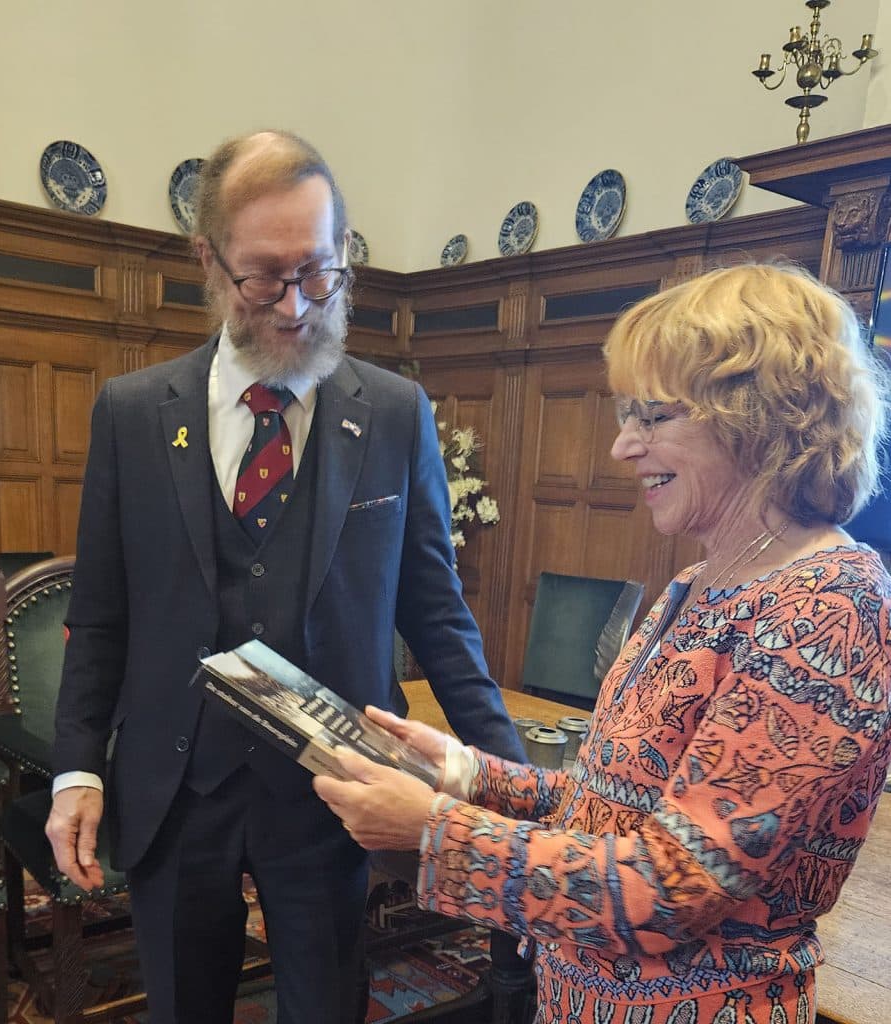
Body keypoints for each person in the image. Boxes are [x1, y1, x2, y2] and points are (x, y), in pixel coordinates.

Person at [315, 262, 891, 1024]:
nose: (621, 447)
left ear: (761, 417)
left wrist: (431, 832)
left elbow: (668, 888)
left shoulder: (831, 604)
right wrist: (466, 774)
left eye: (651, 416)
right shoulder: (697, 580)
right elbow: (610, 809)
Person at [44, 129, 526, 1024]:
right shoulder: (133, 413)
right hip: (175, 784)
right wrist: (77, 770)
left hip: (334, 789)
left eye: (318, 270)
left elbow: (436, 611)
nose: (297, 304)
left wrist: (510, 777)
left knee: (325, 1006)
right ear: (209, 261)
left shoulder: (392, 412)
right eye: (264, 276)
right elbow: (100, 616)